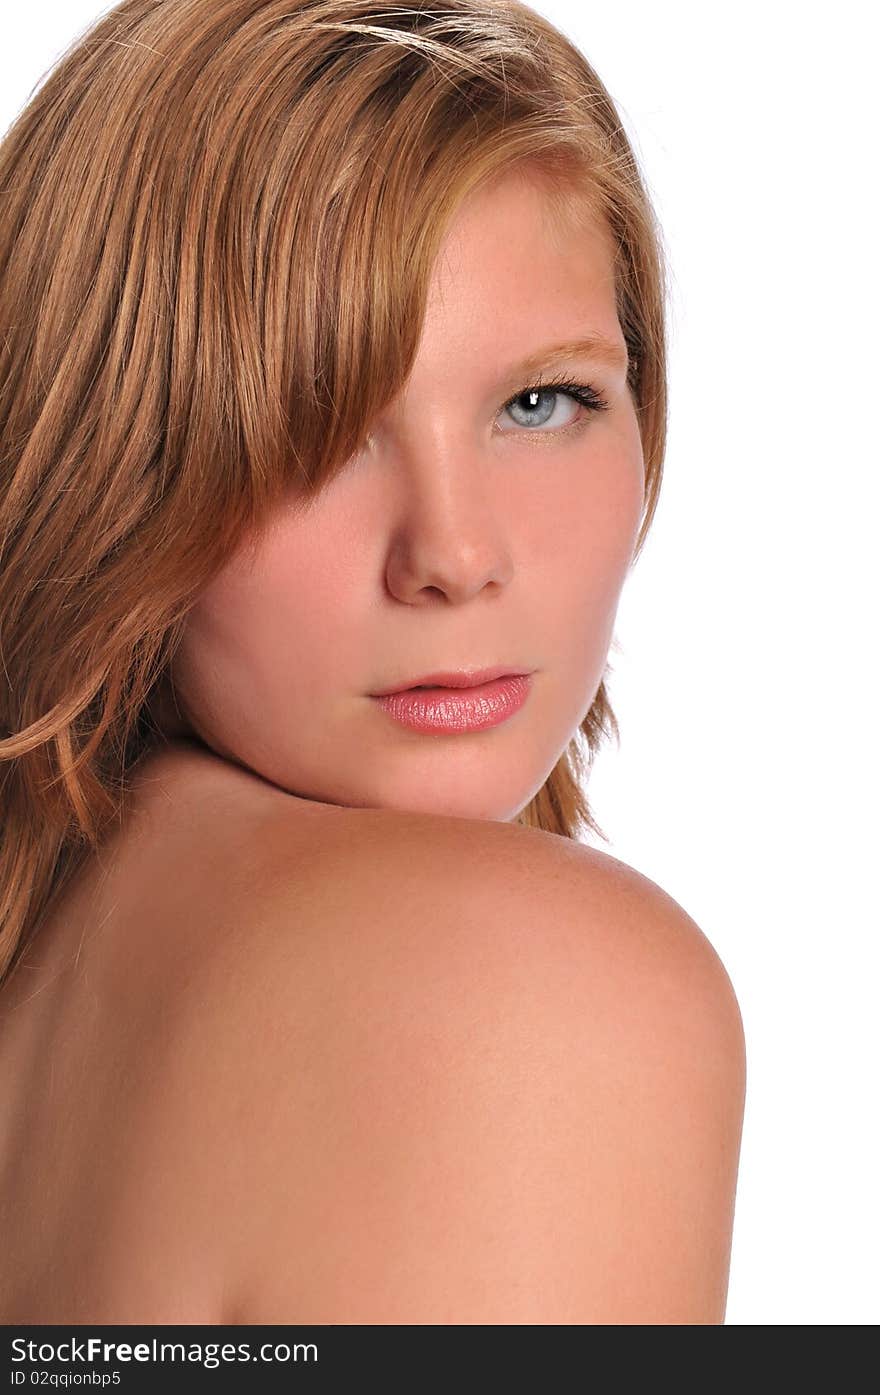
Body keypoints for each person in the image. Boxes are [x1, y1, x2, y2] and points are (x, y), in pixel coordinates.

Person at [0, 0, 746, 1323]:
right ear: (112, 467)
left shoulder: (62, 953)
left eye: (540, 403)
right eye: (320, 425)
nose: (453, 555)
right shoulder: (529, 986)